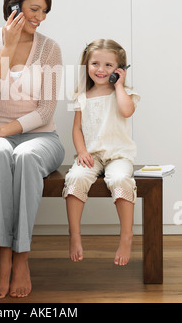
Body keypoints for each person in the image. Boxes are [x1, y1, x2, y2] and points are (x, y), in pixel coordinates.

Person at [0, 0, 65, 299]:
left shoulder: (50, 49)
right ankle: (3, 259)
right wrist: (7, 49)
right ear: (13, 7)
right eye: (34, 9)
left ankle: (21, 257)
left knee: (23, 156)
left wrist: (4, 130)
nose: (39, 18)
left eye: (44, 12)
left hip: (42, 139)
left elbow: (45, 111)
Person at [62, 39, 140, 266]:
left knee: (120, 179)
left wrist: (118, 86)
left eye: (108, 65)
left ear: (119, 69)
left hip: (118, 155)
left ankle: (126, 236)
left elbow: (126, 112)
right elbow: (76, 128)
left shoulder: (125, 93)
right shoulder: (81, 96)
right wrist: (81, 151)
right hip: (92, 155)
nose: (101, 69)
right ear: (86, 65)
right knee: (75, 177)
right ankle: (74, 234)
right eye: (95, 63)